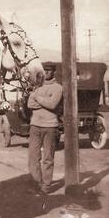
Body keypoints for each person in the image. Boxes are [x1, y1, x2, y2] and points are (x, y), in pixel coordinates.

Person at [27, 62, 63, 195]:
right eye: (45, 70)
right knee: (33, 157)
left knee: (48, 158)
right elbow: (30, 104)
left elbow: (53, 104)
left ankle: (46, 186)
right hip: (35, 126)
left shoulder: (58, 88)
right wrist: (43, 101)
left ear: (54, 72)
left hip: (50, 126)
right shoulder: (37, 86)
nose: (47, 73)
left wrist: (37, 97)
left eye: (50, 70)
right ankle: (36, 183)